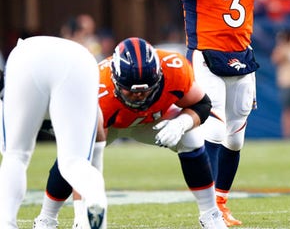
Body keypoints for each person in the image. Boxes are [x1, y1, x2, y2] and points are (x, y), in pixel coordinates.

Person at [138, 0, 290, 225]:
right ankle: (207, 210)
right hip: (206, 57)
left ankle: (220, 203)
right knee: (215, 130)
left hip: (243, 59)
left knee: (235, 139)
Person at [33, 37, 227, 229]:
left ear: (159, 76)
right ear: (115, 80)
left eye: (146, 91)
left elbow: (202, 104)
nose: (139, 97)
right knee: (72, 156)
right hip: (108, 124)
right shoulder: (97, 88)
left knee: (191, 137)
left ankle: (211, 215)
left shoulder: (174, 68)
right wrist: (81, 216)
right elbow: (85, 158)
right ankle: (46, 219)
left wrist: (181, 124)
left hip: (152, 120)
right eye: (131, 91)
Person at [0, 36, 107, 229]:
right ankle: (94, 195)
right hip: (81, 60)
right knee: (75, 162)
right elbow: (98, 137)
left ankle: (6, 224)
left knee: (15, 156)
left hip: (28, 56)